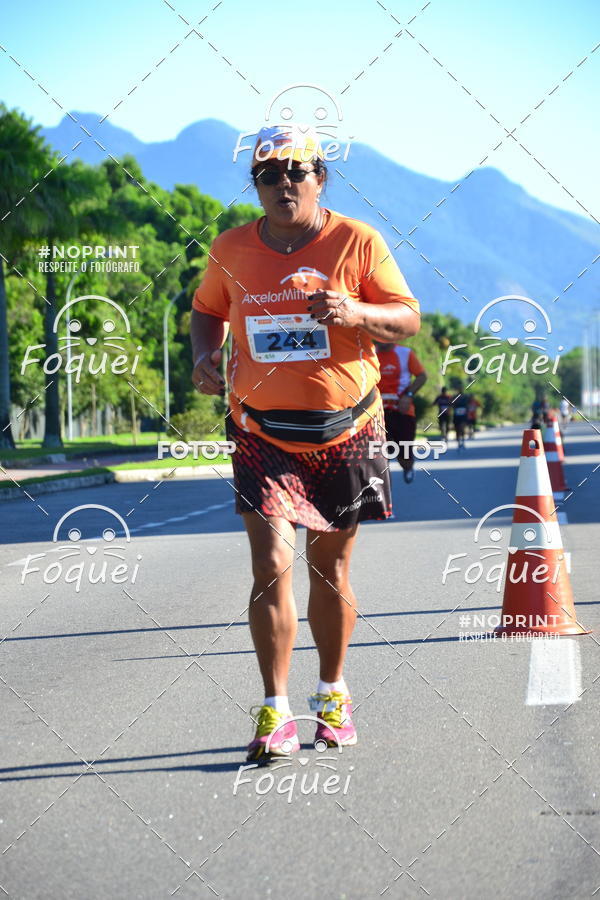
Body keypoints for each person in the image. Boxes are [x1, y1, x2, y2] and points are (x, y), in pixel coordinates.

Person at [190, 124, 420, 761]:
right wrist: (206, 357)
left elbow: (408, 319)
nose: (283, 183)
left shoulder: (357, 241)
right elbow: (206, 310)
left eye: (297, 171)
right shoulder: (230, 248)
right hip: (261, 429)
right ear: (255, 186)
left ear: (321, 178)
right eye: (269, 175)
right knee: (269, 569)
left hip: (346, 429)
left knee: (332, 569)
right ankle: (275, 710)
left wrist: (354, 312)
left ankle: (333, 692)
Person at [375, 343, 427, 482]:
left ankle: (408, 467)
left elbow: (422, 376)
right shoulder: (369, 352)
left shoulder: (405, 353)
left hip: (402, 411)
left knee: (403, 454)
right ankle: (383, 485)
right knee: (377, 453)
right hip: (377, 412)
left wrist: (408, 395)